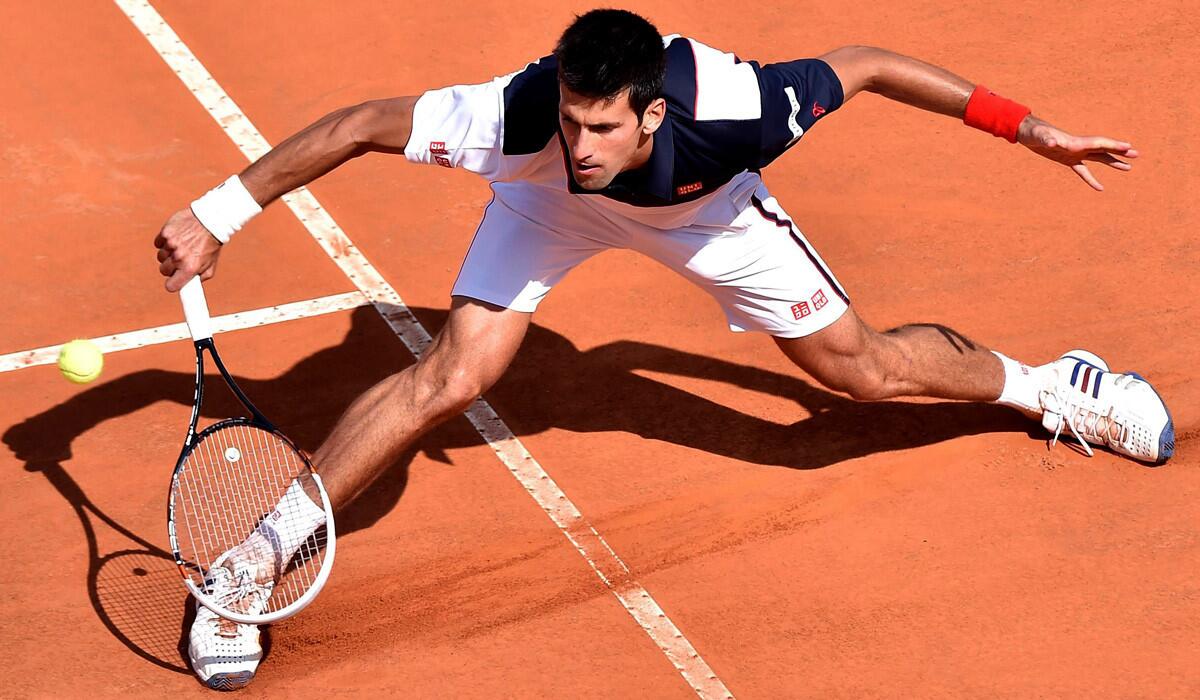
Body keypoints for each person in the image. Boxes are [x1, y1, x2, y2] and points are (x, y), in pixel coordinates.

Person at [154, 9, 1174, 689]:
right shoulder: (525, 124)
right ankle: (251, 562)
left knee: (859, 372)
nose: (580, 140)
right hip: (544, 213)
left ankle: (1051, 385)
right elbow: (360, 124)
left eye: (600, 126)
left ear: (653, 111)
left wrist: (1024, 126)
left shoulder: (737, 108)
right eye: (569, 118)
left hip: (708, 217)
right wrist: (218, 211)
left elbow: (866, 66)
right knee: (452, 375)